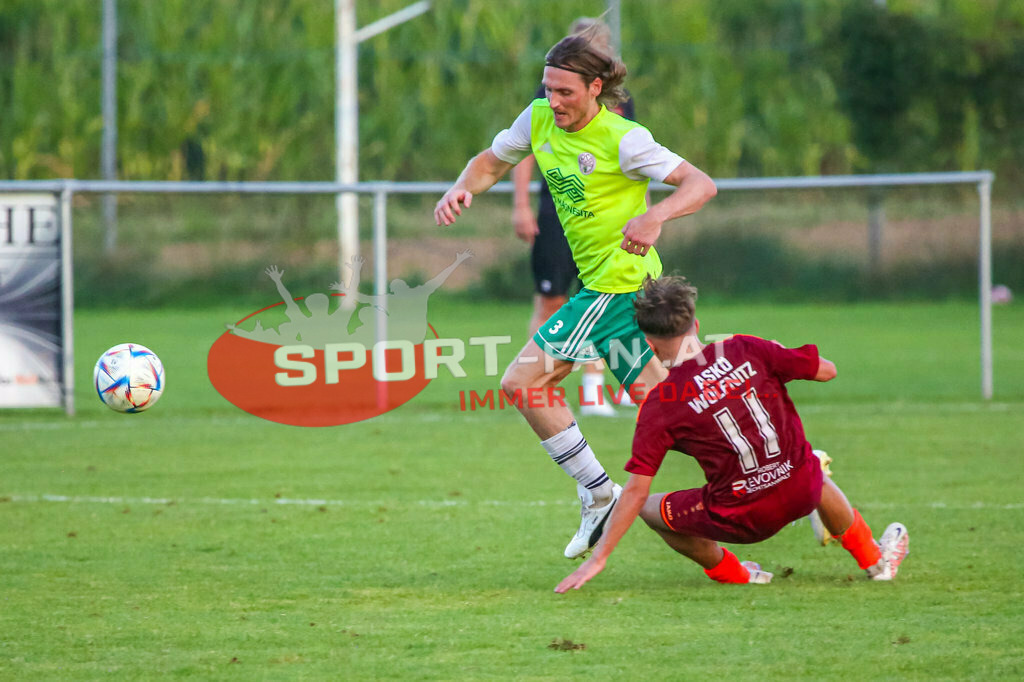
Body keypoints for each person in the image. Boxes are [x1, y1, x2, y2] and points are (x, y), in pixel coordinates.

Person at [434, 32, 717, 559]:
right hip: (629, 292)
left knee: (524, 381)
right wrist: (462, 187)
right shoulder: (538, 117)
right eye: (547, 89)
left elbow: (700, 185)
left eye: (565, 92)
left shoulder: (625, 139)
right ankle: (791, 468)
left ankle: (598, 491)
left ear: (594, 87)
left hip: (618, 291)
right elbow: (491, 162)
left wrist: (655, 215)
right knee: (688, 410)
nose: (554, 101)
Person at [555, 276, 910, 592]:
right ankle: (874, 561)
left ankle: (735, 574)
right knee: (807, 464)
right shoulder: (746, 348)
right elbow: (827, 371)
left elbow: (635, 491)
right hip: (800, 493)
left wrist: (598, 558)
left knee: (649, 509)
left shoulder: (661, 404)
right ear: (696, 323)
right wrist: (778, 353)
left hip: (741, 519)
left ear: (648, 343)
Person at [512, 18, 637, 418]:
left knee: (600, 301)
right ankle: (540, 384)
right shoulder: (552, 95)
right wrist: (520, 205)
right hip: (557, 215)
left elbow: (635, 162)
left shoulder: (620, 102)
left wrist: (646, 214)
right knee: (551, 298)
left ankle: (593, 392)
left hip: (605, 224)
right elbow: (522, 149)